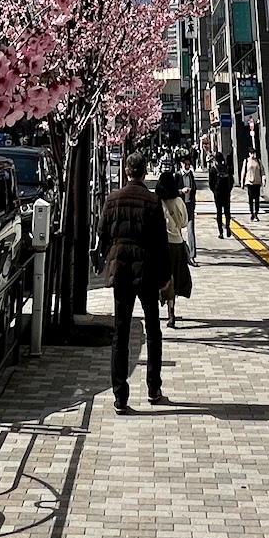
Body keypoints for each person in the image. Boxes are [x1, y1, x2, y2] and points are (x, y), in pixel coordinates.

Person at [96, 148, 172, 410]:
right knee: (153, 330)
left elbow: (102, 235)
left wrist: (109, 258)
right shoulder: (152, 202)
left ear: (127, 171)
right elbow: (162, 242)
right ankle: (153, 387)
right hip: (148, 270)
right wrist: (165, 276)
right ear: (143, 171)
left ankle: (120, 395)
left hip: (121, 270)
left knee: (121, 332)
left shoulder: (112, 199)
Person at [156, 166, 192, 325]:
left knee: (162, 277)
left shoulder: (156, 202)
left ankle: (162, 307)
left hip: (160, 244)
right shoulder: (178, 201)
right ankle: (171, 310)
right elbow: (184, 222)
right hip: (176, 243)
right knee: (174, 277)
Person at [208, 151, 233, 238]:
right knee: (227, 212)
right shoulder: (227, 168)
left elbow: (210, 183)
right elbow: (231, 181)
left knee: (219, 212)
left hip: (218, 193)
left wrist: (214, 190)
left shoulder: (213, 169)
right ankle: (228, 227)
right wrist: (229, 190)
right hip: (226, 192)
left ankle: (221, 232)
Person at [182, 160, 198, 261]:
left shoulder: (191, 174)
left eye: (189, 164)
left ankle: (192, 256)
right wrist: (181, 191)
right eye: (185, 164)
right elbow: (173, 190)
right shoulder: (178, 175)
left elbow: (195, 188)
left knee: (191, 229)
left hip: (190, 205)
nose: (187, 166)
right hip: (180, 205)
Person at [240, 148, 263, 220]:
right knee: (250, 198)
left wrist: (264, 179)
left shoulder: (258, 161)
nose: (253, 155)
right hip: (249, 182)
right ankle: (252, 213)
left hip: (257, 182)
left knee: (257, 199)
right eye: (251, 153)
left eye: (254, 153)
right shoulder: (246, 161)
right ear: (249, 154)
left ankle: (256, 213)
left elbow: (262, 171)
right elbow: (243, 172)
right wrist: (242, 182)